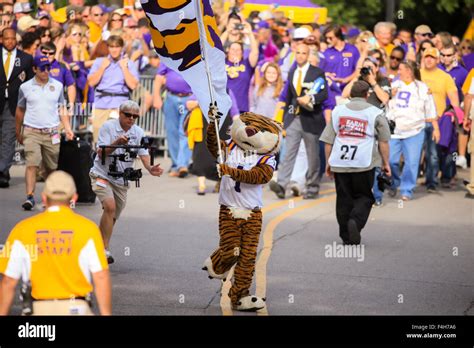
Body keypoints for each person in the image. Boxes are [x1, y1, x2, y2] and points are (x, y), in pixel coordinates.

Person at [0, 171, 112, 315]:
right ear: (74, 198)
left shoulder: (22, 229)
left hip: (39, 310)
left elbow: (9, 281)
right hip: (77, 308)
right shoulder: (89, 229)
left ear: (44, 198)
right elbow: (101, 276)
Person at [89, 100, 163, 264]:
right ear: (120, 113)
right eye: (127, 115)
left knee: (113, 215)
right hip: (101, 173)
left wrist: (150, 168)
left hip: (121, 179)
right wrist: (117, 143)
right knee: (110, 207)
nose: (131, 119)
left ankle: (97, 243)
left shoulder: (138, 131)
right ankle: (104, 250)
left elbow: (143, 154)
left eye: (134, 116)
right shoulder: (108, 127)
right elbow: (101, 152)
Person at [320, 81, 391, 245]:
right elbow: (384, 141)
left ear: (351, 94)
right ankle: (355, 222)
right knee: (364, 196)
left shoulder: (338, 111)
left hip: (340, 162)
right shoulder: (375, 113)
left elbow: (328, 140)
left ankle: (346, 236)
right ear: (367, 95)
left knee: (344, 198)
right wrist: (385, 163)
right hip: (363, 163)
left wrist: (328, 163)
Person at [269, 43, 328, 200]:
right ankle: (282, 185)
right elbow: (288, 98)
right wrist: (283, 119)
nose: (300, 55)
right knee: (288, 153)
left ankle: (312, 187)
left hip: (311, 118)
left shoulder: (317, 72)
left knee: (312, 155)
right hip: (294, 118)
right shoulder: (292, 72)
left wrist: (311, 98)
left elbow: (323, 95)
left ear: (308, 55)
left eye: (304, 53)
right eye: (298, 53)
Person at [15, 55, 74, 210]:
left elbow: (62, 108)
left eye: (48, 68)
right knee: (32, 164)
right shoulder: (25, 87)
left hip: (52, 132)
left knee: (51, 167)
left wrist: (67, 128)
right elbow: (20, 110)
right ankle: (30, 197)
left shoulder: (58, 86)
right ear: (34, 69)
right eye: (42, 68)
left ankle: (51, 197)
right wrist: (18, 131)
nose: (46, 71)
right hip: (31, 131)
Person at [387, 60, 436, 201]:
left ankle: (406, 189)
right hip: (395, 131)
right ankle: (395, 182)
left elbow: (430, 110)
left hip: (415, 130)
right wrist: (390, 94)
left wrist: (435, 128)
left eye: (401, 69)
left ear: (409, 71)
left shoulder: (423, 88)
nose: (398, 72)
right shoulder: (394, 85)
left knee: (412, 162)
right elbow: (385, 103)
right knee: (391, 161)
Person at [420, 47, 459, 193]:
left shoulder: (445, 77)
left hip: (436, 119)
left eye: (432, 57)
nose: (429, 59)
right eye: (426, 57)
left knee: (433, 153)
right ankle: (402, 182)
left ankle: (432, 182)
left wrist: (454, 114)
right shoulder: (417, 74)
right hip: (416, 119)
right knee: (414, 154)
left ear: (438, 60)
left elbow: (454, 100)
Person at [88, 35, 139, 145]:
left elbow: (133, 85)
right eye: (111, 47)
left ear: (122, 48)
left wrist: (124, 68)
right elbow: (91, 82)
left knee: (119, 139)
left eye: (117, 47)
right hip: (102, 102)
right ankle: (100, 160)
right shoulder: (99, 62)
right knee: (99, 138)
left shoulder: (128, 64)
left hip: (119, 103)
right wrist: (102, 68)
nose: (114, 50)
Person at [0, 27, 34, 188]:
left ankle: (2, 171)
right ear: (1, 39)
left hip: (13, 104)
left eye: (12, 38)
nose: (10, 41)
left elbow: (30, 83)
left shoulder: (26, 59)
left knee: (8, 139)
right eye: (6, 38)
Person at [153, 62, 193, 178]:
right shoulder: (168, 55)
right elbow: (159, 76)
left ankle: (182, 165)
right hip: (171, 98)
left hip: (188, 99)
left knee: (184, 131)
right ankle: (176, 164)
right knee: (172, 133)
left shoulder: (194, 55)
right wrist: (156, 96)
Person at [439, 44, 469, 169]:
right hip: (437, 112)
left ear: (455, 56)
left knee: (452, 147)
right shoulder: (436, 69)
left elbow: (466, 94)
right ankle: (436, 174)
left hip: (453, 114)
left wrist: (459, 113)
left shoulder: (463, 72)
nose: (446, 58)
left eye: (449, 55)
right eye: (443, 55)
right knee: (437, 146)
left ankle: (452, 172)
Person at [225, 20, 259, 113]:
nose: (235, 52)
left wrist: (250, 33)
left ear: (242, 52)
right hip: (223, 107)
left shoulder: (246, 64)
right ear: (228, 51)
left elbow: (255, 53)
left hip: (241, 108)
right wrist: (227, 31)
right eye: (233, 49)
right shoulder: (222, 63)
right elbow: (214, 50)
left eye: (238, 50)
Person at [321, 24, 360, 94]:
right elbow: (320, 71)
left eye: (330, 38)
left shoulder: (353, 50)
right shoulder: (326, 53)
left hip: (349, 90)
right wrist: (326, 74)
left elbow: (358, 70)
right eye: (326, 38)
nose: (328, 40)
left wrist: (346, 80)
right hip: (332, 91)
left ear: (338, 36)